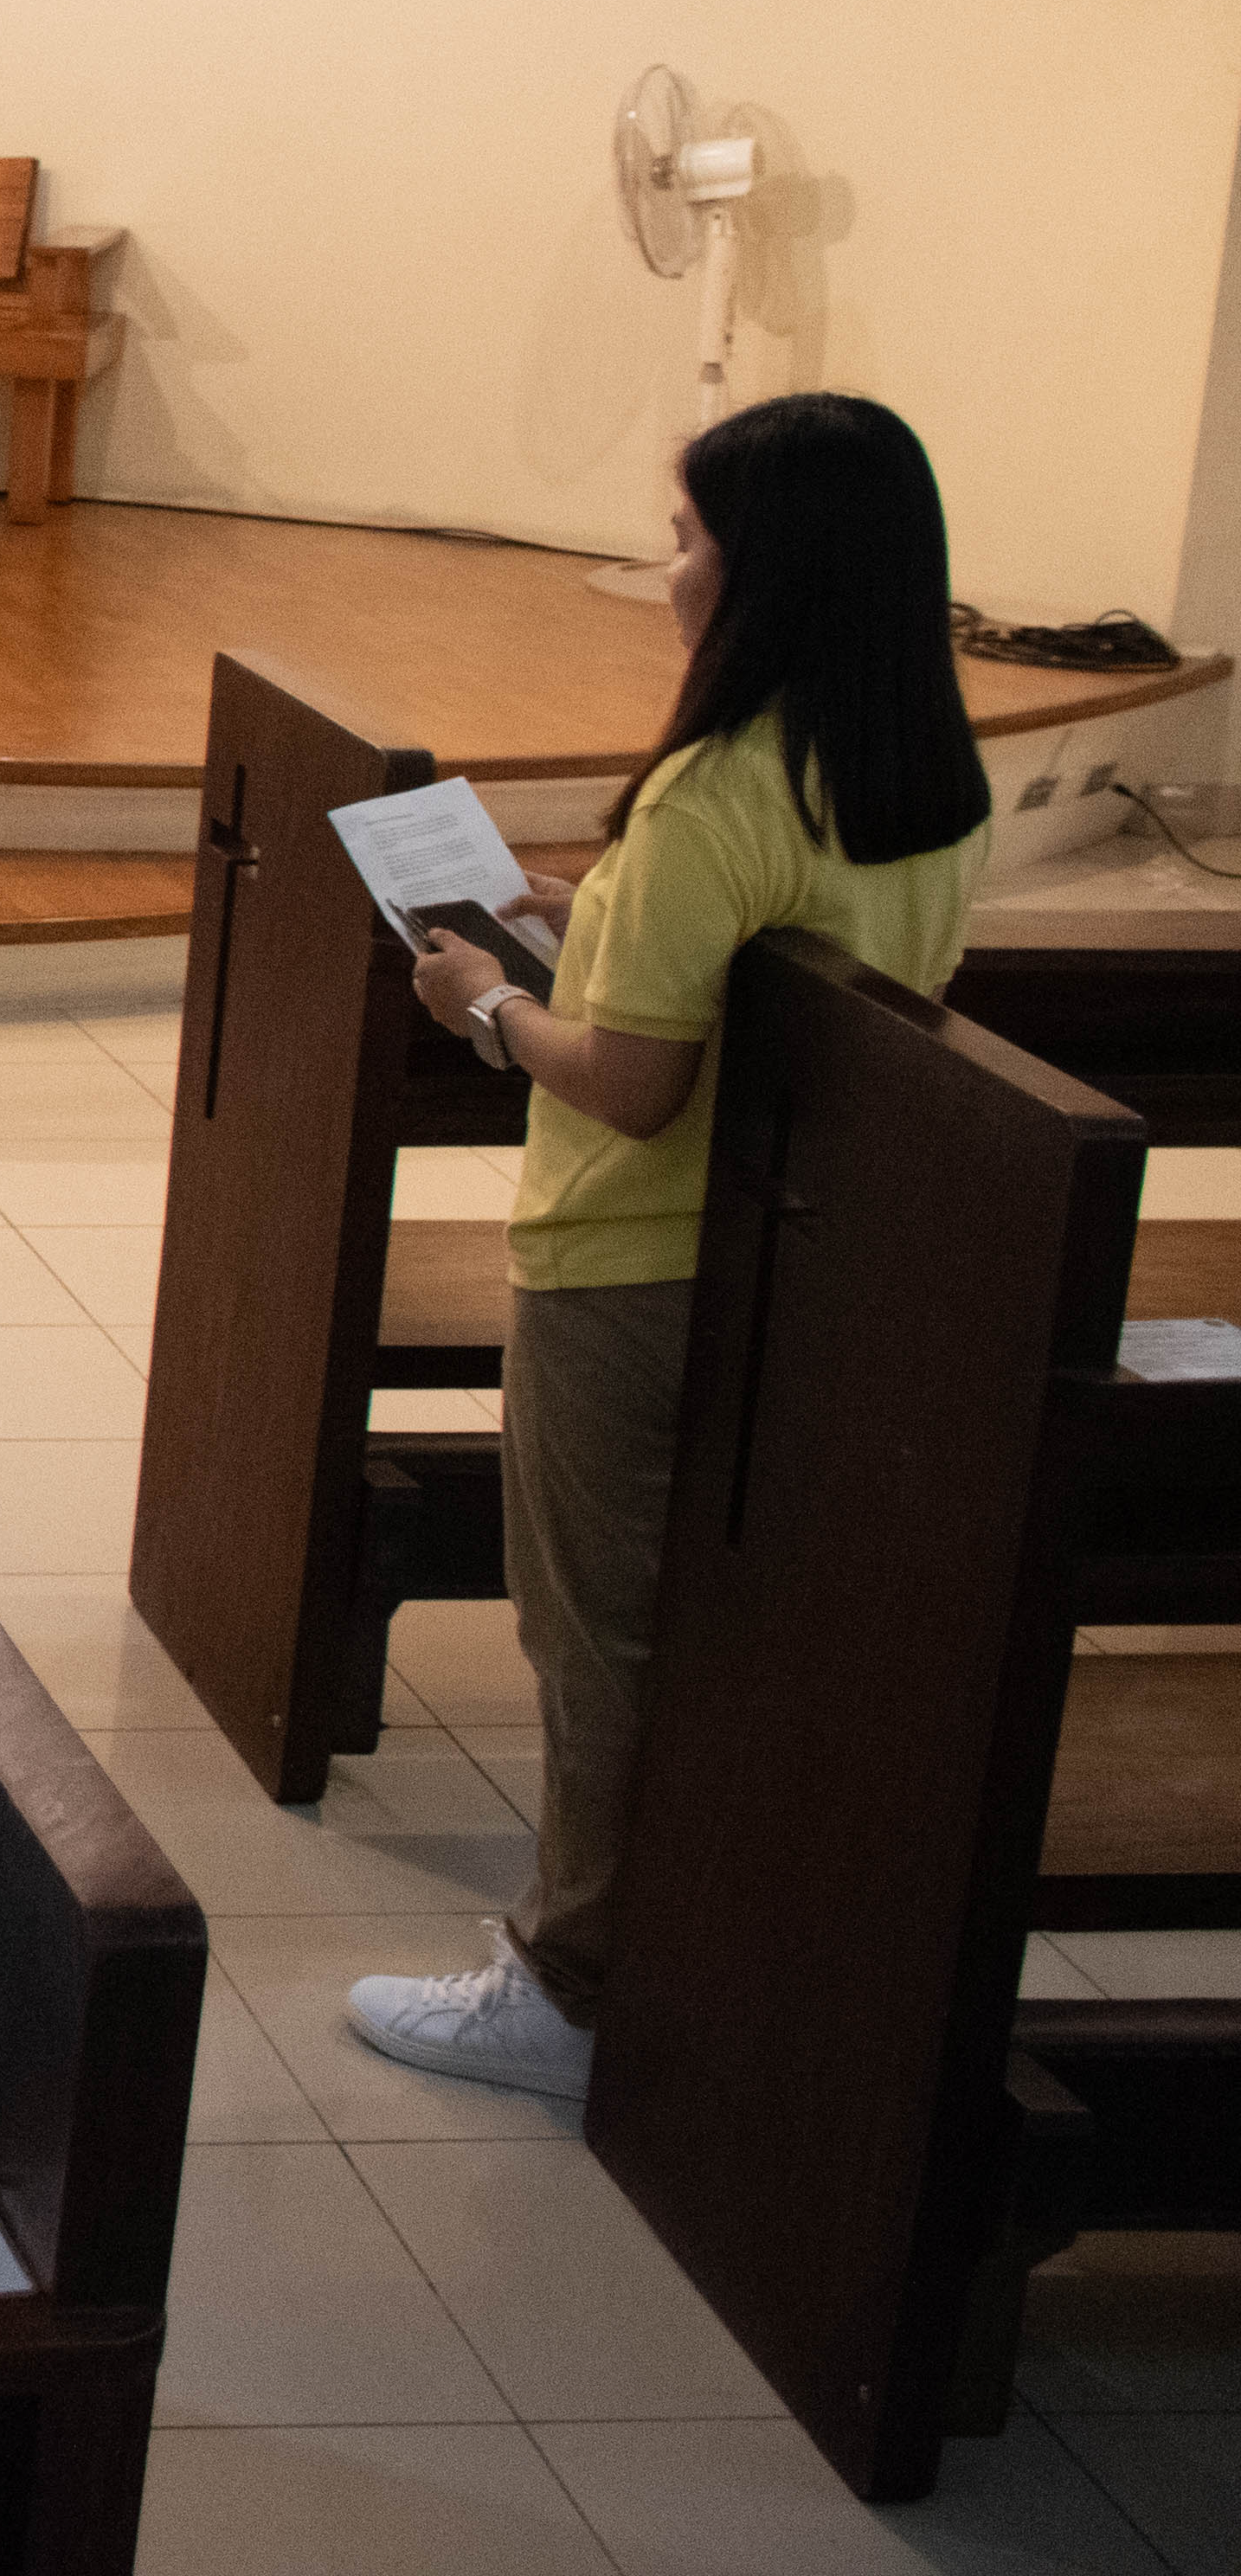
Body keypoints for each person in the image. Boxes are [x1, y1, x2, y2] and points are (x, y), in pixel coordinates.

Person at [350, 393, 998, 2100]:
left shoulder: (716, 789)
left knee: (600, 1634)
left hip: (633, 1268)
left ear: (767, 568)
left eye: (689, 538)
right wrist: (597, 917)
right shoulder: (923, 769)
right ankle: (707, 1940)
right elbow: (786, 977)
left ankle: (570, 1990)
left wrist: (484, 998)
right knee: (733, 1615)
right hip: (810, 1254)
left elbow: (634, 1087)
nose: (671, 572)